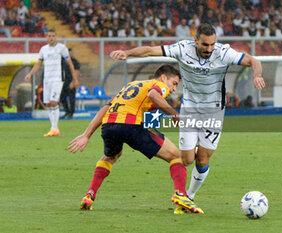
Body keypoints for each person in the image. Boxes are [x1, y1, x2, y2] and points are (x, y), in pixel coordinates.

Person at [109, 23, 265, 213]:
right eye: (205, 45)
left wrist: (257, 75)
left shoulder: (223, 53)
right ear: (195, 41)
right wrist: (128, 53)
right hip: (190, 109)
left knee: (202, 160)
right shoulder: (183, 49)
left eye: (212, 45)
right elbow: (150, 50)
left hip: (214, 111)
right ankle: (188, 181)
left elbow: (254, 61)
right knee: (187, 158)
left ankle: (187, 196)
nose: (209, 49)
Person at [68, 65, 203, 214]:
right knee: (176, 155)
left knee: (111, 156)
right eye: (174, 83)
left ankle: (89, 195)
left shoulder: (130, 85)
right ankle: (181, 195)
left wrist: (86, 135)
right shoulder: (157, 85)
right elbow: (153, 95)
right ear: (164, 77)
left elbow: (106, 108)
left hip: (109, 126)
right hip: (131, 125)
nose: (173, 89)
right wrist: (174, 114)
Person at [25, 29, 78, 136]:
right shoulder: (43, 49)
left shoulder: (61, 48)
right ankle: (53, 128)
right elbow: (38, 64)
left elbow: (70, 63)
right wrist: (30, 74)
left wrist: (74, 79)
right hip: (47, 80)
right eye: (49, 36)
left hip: (57, 79)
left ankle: (55, 128)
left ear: (56, 37)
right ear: (46, 37)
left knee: (54, 102)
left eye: (53, 36)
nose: (51, 38)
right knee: (48, 104)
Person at [60, 48, 80, 119]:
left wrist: (74, 81)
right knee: (62, 97)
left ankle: (71, 113)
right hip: (64, 82)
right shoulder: (63, 61)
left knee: (72, 98)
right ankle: (67, 111)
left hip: (71, 81)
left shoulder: (75, 62)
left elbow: (77, 71)